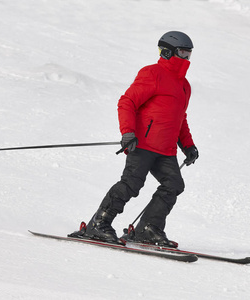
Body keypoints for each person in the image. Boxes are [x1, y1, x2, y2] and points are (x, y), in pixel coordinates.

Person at [71, 31, 198, 247]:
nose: (186, 58)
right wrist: (128, 132)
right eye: (182, 53)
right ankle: (99, 224)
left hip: (166, 150)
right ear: (167, 52)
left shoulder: (184, 86)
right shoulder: (152, 73)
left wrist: (188, 145)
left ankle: (148, 229)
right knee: (131, 184)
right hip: (144, 144)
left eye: (189, 54)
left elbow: (180, 119)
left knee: (174, 184)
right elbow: (127, 102)